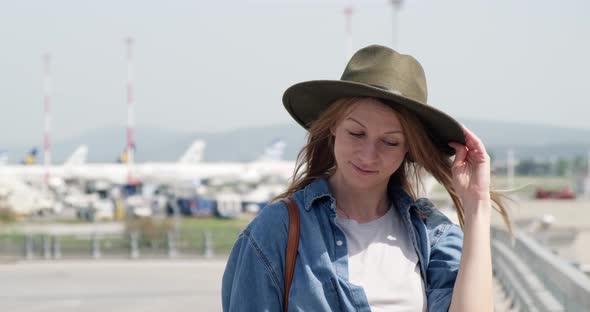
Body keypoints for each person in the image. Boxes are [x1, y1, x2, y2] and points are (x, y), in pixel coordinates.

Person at [222, 45, 510, 312]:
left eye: (391, 142)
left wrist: (477, 206)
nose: (368, 155)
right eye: (356, 133)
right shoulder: (279, 228)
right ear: (333, 127)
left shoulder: (431, 234)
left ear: (409, 148)